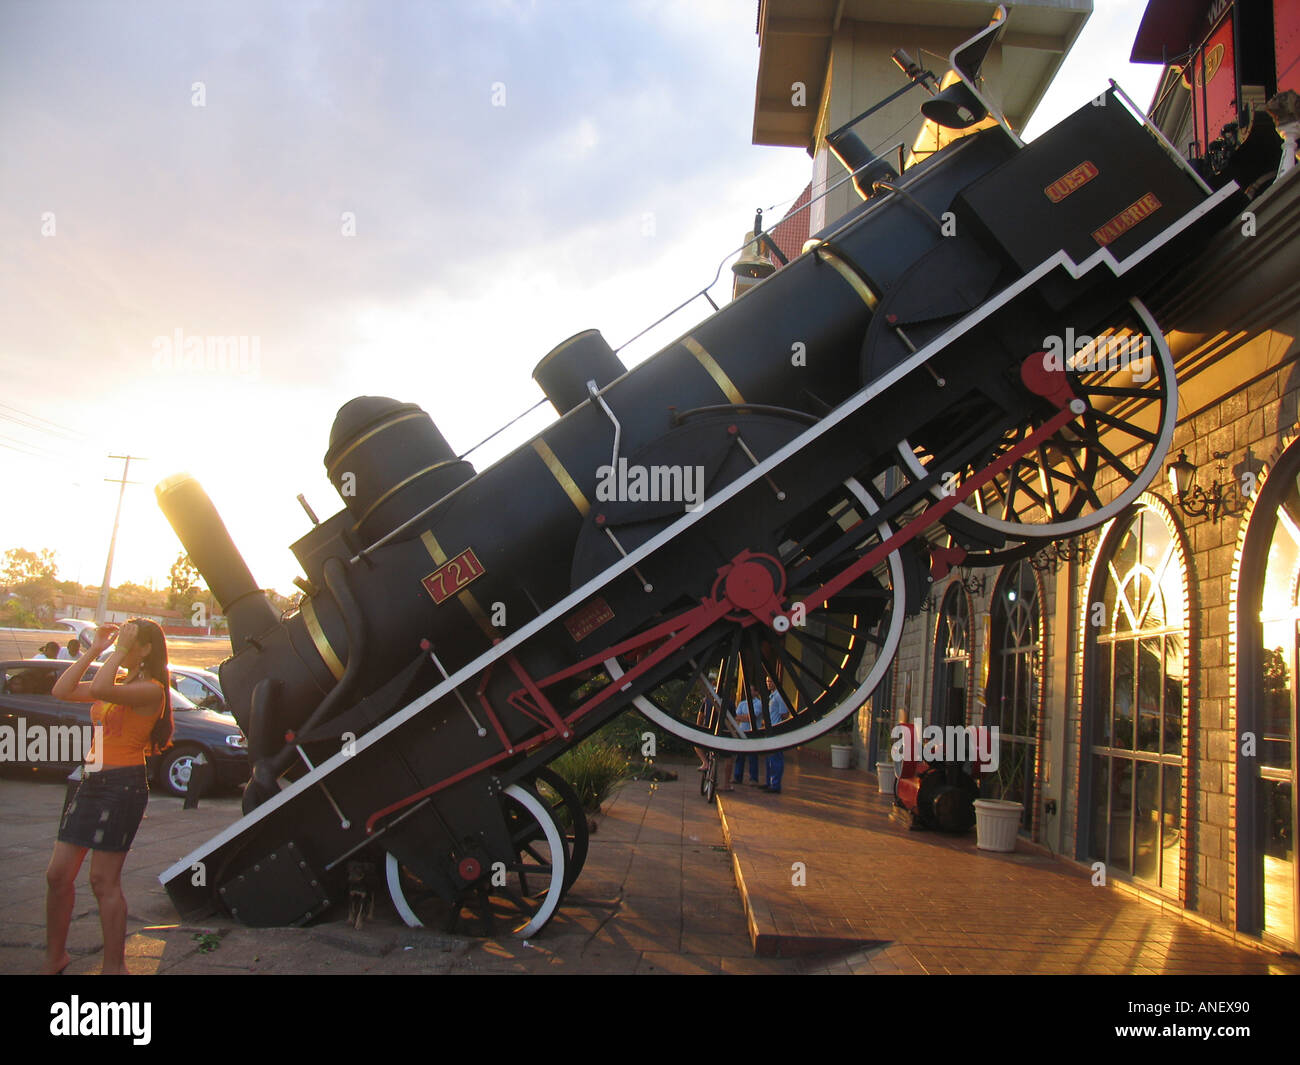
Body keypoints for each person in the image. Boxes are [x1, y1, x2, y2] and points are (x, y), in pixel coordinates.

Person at [44, 619, 173, 975]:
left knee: (102, 881)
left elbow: (101, 686)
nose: (123, 647)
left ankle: (115, 967)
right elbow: (62, 689)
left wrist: (114, 652)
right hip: (90, 781)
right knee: (57, 875)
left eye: (129, 642)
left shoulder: (151, 691)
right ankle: (55, 958)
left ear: (145, 649)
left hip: (122, 786)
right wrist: (95, 649)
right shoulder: (119, 682)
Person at [761, 676, 791, 794]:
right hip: (770, 730)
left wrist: (779, 726)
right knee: (769, 758)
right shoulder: (772, 696)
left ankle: (775, 784)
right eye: (767, 681)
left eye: (770, 681)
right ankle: (769, 782)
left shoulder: (779, 696)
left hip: (776, 730)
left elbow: (784, 714)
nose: (768, 684)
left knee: (776, 758)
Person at [734, 684, 761, 786]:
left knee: (752, 757)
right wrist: (745, 717)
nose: (748, 693)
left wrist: (742, 717)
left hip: (753, 733)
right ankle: (738, 777)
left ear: (756, 692)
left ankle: (753, 779)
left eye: (751, 690)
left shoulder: (758, 704)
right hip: (742, 732)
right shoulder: (742, 703)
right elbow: (736, 717)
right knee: (739, 756)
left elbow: (752, 717)